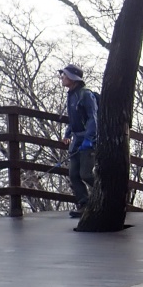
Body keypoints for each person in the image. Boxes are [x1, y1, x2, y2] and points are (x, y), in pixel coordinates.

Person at [58, 64, 98, 218]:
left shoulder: (85, 95)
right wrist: (67, 134)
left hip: (88, 139)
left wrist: (88, 139)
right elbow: (73, 119)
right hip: (76, 139)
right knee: (73, 174)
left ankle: (109, 195)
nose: (62, 78)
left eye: (65, 75)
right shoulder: (71, 95)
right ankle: (84, 204)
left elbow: (93, 118)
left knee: (86, 174)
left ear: (73, 78)